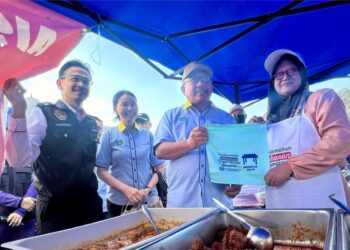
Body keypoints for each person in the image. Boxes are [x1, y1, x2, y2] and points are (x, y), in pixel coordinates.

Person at [4, 60, 103, 234]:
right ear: (60, 83)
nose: (81, 84)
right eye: (75, 79)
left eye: (86, 81)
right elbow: (20, 159)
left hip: (89, 206)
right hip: (56, 211)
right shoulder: (44, 113)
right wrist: (19, 111)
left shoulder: (92, 123)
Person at [251, 49, 350, 208]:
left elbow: (340, 141)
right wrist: (251, 134)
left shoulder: (321, 98)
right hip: (282, 201)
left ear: (303, 73)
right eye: (279, 74)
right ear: (273, 81)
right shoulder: (268, 118)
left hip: (324, 197)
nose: (285, 76)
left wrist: (290, 166)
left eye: (292, 70)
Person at [153, 62, 241, 208]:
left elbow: (236, 155)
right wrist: (188, 144)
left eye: (205, 80)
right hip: (181, 205)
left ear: (211, 87)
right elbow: (159, 151)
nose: (200, 84)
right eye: (193, 80)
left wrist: (238, 182)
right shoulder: (171, 116)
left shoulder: (226, 118)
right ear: (183, 89)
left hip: (219, 203)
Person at [96, 90, 163, 217]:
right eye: (124, 104)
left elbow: (159, 168)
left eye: (133, 104)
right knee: (121, 237)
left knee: (152, 235)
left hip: (148, 200)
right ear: (115, 108)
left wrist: (148, 188)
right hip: (119, 202)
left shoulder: (147, 135)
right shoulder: (109, 135)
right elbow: (101, 171)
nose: (129, 108)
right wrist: (126, 190)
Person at [0, 163, 36, 244]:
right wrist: (19, 201)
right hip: (2, 224)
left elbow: (38, 183)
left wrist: (21, 211)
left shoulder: (30, 156)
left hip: (28, 223)